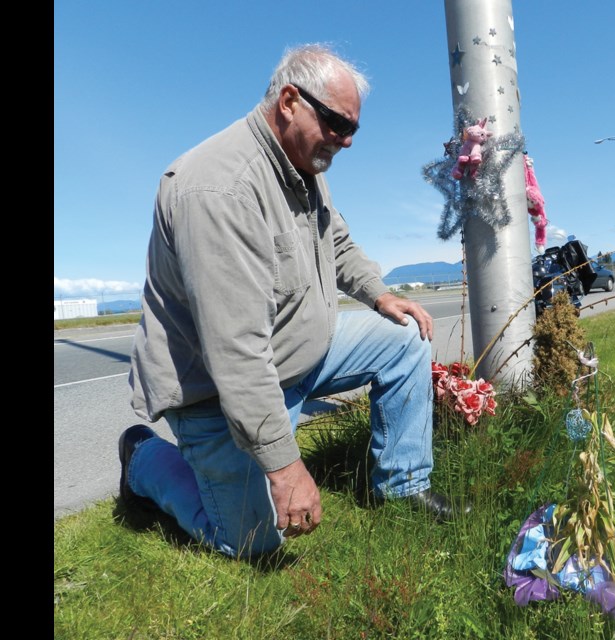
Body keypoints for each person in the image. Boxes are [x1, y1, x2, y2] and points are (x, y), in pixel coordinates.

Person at [119, 43, 469, 560]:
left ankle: (403, 484)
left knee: (405, 338)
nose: (346, 142)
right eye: (337, 124)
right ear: (289, 101)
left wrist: (380, 295)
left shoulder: (304, 166)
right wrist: (285, 468)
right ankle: (143, 458)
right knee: (257, 542)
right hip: (215, 394)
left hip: (297, 356)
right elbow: (237, 353)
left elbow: (338, 242)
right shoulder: (220, 192)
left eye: (354, 130)